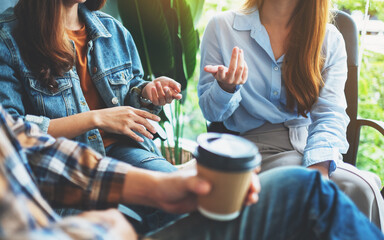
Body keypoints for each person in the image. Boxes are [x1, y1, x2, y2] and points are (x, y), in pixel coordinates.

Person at [0, 104, 382, 240]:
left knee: (310, 185)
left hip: (125, 152)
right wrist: (109, 231)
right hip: (92, 199)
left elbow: (21, 143)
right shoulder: (12, 36)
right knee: (304, 191)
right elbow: (217, 109)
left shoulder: (107, 29)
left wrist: (155, 186)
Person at [198, 0, 384, 230]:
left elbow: (330, 114)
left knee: (361, 189)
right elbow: (211, 112)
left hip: (313, 148)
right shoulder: (222, 27)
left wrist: (318, 173)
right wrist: (226, 88)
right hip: (254, 149)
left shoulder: (330, 38)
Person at [0, 0, 183, 232]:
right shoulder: (8, 37)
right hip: (59, 165)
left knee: (179, 202)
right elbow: (11, 132)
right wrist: (96, 118)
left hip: (122, 151)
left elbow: (131, 89)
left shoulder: (112, 30)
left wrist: (147, 94)